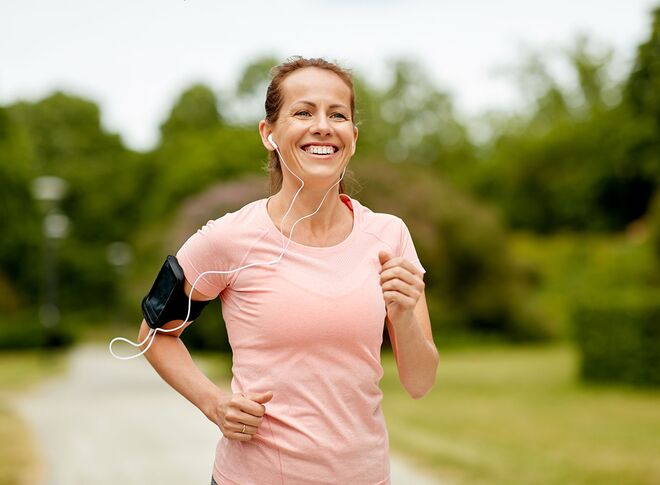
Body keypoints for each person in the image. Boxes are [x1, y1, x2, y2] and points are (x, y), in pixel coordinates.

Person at [137, 56, 439, 485]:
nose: (322, 125)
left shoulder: (389, 237)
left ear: (353, 137)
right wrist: (214, 404)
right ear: (269, 133)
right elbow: (153, 333)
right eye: (303, 112)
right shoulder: (227, 239)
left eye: (337, 114)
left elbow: (420, 382)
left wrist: (405, 314)